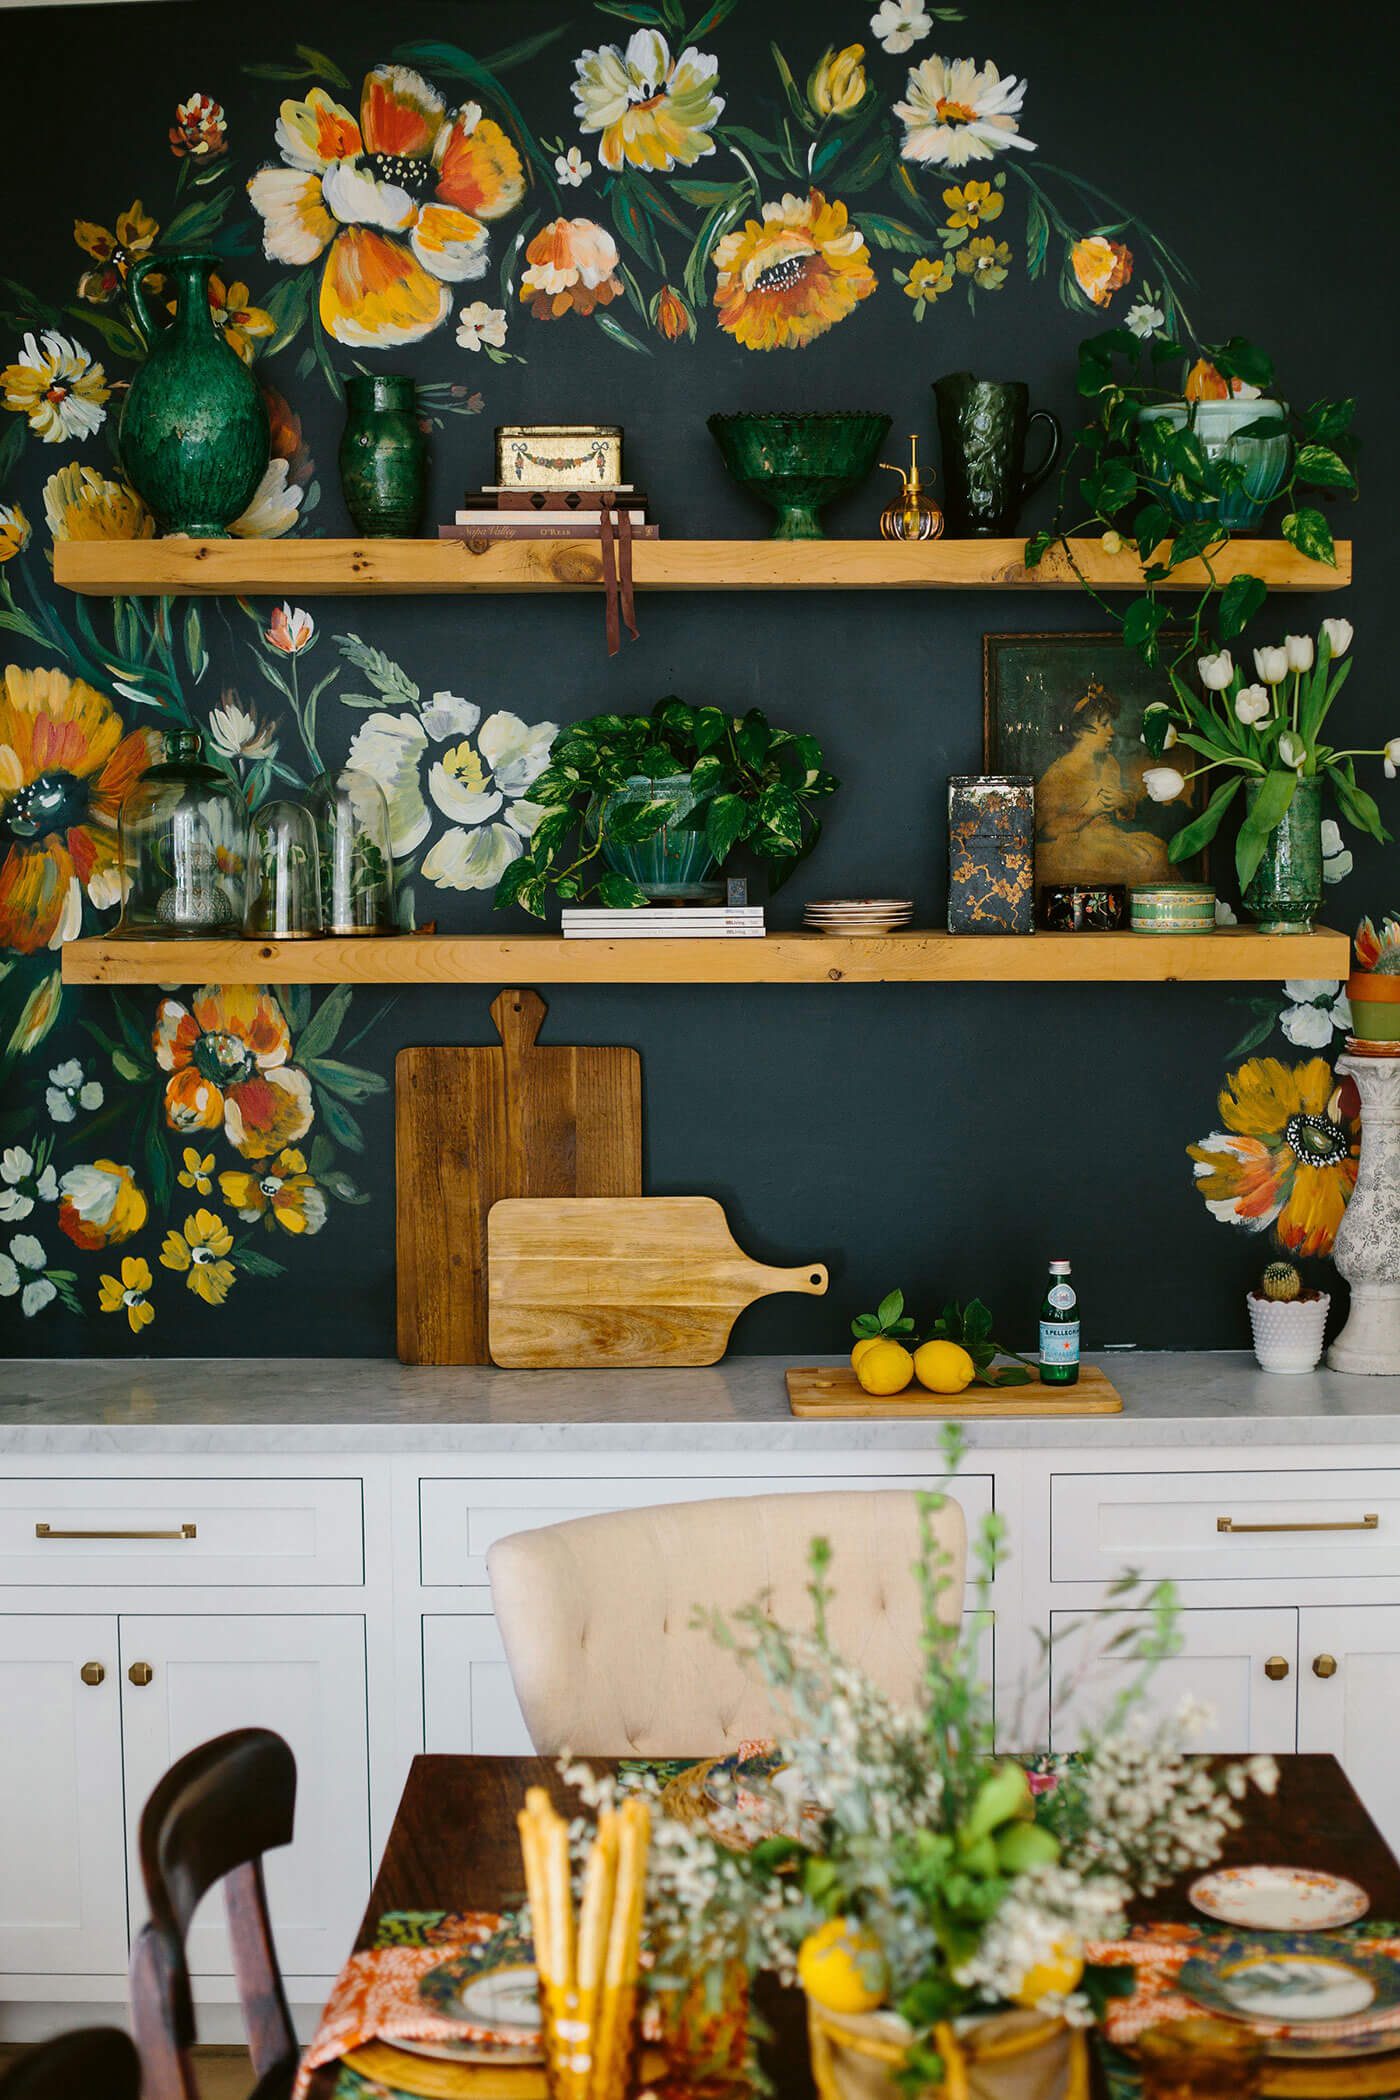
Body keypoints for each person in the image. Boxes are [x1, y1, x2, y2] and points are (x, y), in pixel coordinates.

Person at [1034, 678, 1174, 886]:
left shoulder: (1109, 763)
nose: (1112, 732)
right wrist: (1090, 809)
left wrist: (1122, 802)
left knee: (1157, 854)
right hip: (1075, 848)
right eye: (1104, 725)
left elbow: (1124, 812)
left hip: (1108, 839)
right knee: (1136, 863)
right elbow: (1045, 831)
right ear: (1079, 731)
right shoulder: (1059, 774)